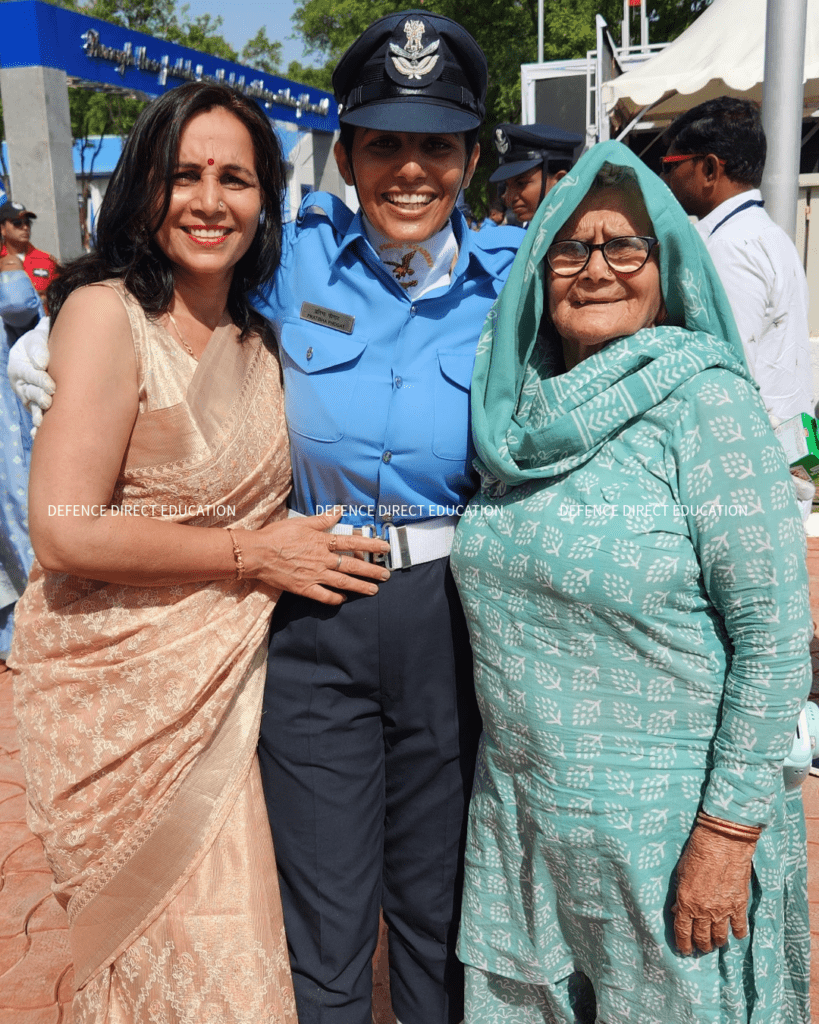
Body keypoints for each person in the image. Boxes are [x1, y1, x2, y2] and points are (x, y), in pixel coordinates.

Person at [8, 81, 389, 1022]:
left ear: (268, 198)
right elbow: (60, 527)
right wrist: (252, 554)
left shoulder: (259, 334)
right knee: (188, 965)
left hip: (239, 688)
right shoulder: (107, 313)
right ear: (142, 187)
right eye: (184, 175)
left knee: (246, 943)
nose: (209, 201)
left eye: (236, 178)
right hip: (122, 703)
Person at [451, 140, 812, 1024]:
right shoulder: (516, 415)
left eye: (624, 247)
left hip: (667, 834)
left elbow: (772, 638)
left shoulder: (704, 403)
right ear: (538, 267)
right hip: (523, 825)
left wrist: (726, 838)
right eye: (569, 248)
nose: (595, 269)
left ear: (665, 267)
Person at [251, 12, 522, 1024]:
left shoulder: (517, 284)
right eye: (384, 144)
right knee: (323, 920)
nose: (410, 170)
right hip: (313, 618)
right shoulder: (295, 263)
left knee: (437, 911)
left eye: (436, 146)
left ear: (472, 156)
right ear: (348, 153)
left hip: (453, 621)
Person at [661, 97, 813, 423]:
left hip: (755, 441)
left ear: (710, 169)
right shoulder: (767, 234)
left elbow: (730, 368)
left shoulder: (728, 247)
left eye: (670, 165)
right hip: (787, 434)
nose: (665, 179)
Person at [0, 253, 39, 664]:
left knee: (19, 528)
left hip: (7, 440)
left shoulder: (10, 276)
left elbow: (19, 306)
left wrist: (10, 270)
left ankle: (29, 634)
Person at [489, 123, 582, 226]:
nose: (510, 198)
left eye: (521, 183)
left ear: (560, 181)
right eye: (507, 186)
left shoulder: (587, 236)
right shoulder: (535, 236)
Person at [0, 200, 58, 309]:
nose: (25, 227)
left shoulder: (47, 260)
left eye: (27, 223)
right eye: (17, 223)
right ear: (2, 229)